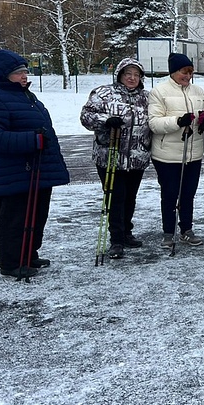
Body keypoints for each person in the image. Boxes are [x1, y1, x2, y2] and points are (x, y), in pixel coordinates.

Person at [0, 49, 70, 278]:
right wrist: (32, 140)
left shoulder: (26, 96)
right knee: (14, 218)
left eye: (25, 71)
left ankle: (28, 254)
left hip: (37, 168)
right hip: (13, 172)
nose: (24, 76)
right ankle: (11, 262)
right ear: (3, 75)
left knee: (36, 214)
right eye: (18, 73)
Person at [79, 58, 151, 258]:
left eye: (136, 75)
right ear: (119, 74)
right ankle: (116, 239)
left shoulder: (146, 98)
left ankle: (127, 231)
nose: (132, 78)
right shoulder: (103, 93)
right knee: (115, 197)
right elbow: (86, 116)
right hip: (110, 156)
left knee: (130, 198)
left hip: (137, 157)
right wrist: (105, 120)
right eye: (128, 73)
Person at [148, 52, 204, 249]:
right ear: (174, 72)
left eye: (190, 72)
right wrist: (178, 121)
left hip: (193, 152)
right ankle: (168, 231)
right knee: (170, 194)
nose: (188, 76)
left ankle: (186, 229)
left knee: (188, 194)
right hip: (167, 154)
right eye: (184, 72)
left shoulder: (198, 91)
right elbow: (154, 123)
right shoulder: (159, 91)